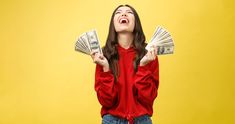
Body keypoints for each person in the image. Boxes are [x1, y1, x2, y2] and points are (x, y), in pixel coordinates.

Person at [91, 4, 159, 124]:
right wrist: (106, 68)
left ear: (136, 22)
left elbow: (148, 98)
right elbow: (106, 101)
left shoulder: (148, 54)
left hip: (142, 120)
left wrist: (143, 66)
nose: (123, 14)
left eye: (129, 12)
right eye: (118, 12)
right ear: (113, 24)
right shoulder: (103, 55)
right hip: (111, 120)